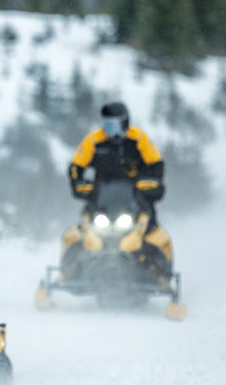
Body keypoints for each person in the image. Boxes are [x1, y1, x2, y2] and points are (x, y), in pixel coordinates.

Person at [65, 101, 173, 281]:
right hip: (101, 199)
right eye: (107, 125)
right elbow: (76, 165)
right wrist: (79, 183)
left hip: (135, 199)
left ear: (125, 123)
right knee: (82, 230)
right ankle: (70, 270)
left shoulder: (139, 139)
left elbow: (156, 164)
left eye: (115, 125)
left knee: (151, 231)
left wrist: (151, 183)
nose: (111, 130)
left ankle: (158, 272)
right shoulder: (94, 140)